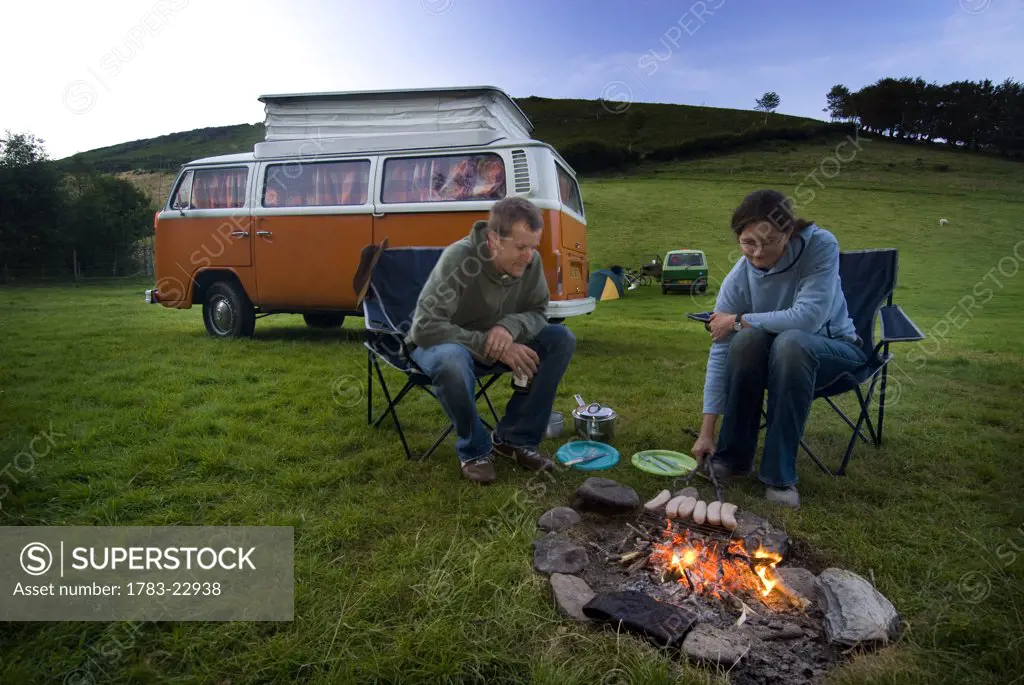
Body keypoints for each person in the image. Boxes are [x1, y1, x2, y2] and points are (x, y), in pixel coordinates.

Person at [690, 189, 866, 509]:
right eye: (747, 243)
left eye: (767, 242)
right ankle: (733, 458)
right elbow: (721, 350)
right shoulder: (740, 276)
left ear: (788, 233)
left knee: (791, 341)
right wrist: (706, 431)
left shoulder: (820, 245)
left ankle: (780, 475)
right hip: (778, 359)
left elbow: (809, 318)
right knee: (745, 341)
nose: (756, 253)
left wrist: (740, 320)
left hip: (836, 350)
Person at [406, 197, 576, 484]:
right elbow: (425, 327)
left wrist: (509, 328)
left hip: (495, 340)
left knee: (560, 339)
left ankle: (515, 440)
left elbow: (537, 311)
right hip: (441, 342)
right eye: (521, 247)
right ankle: (474, 450)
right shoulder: (459, 259)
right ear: (494, 240)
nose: (529, 256)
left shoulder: (530, 263)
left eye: (533, 247)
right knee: (451, 360)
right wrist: (492, 344)